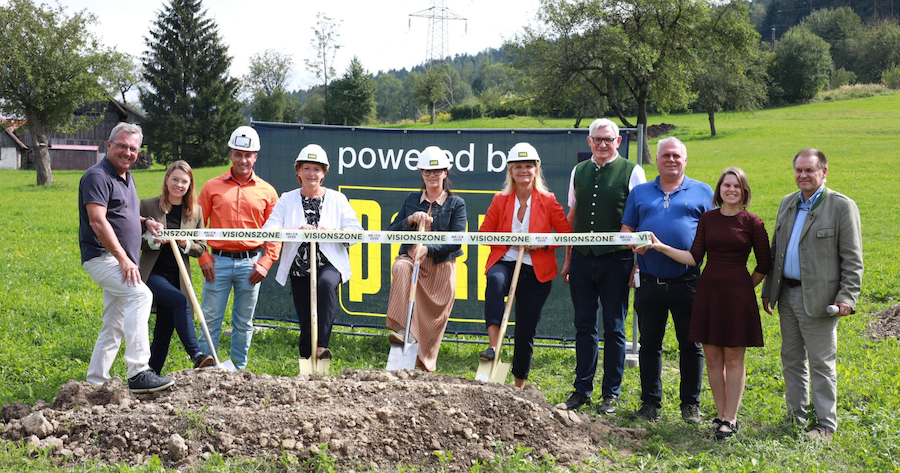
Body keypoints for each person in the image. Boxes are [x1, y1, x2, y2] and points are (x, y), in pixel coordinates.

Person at [644, 167, 771, 439]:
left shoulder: (753, 222)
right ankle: (721, 414)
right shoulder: (708, 219)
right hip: (708, 293)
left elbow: (764, 263)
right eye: (727, 185)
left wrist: (744, 287)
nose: (731, 190)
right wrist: (660, 246)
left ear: (744, 191)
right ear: (719, 190)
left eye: (737, 186)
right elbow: (694, 257)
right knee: (712, 358)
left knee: (733, 357)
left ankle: (731, 419)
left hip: (737, 297)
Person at [761, 148, 863, 441]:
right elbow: (776, 249)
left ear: (824, 172)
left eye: (809, 170)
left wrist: (847, 296)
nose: (803, 175)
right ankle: (796, 416)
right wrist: (769, 290)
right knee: (791, 359)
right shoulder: (788, 202)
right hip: (787, 295)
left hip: (820, 299)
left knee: (821, 363)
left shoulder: (841, 206)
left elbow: (853, 259)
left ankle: (826, 424)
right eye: (799, 170)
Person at [621, 137, 714, 423]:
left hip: (688, 282)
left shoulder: (703, 191)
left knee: (691, 345)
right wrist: (632, 244)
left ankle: (690, 405)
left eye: (676, 155)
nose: (671, 160)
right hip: (650, 281)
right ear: (657, 159)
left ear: (685, 160)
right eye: (665, 155)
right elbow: (626, 230)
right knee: (649, 344)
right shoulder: (640, 193)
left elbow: (713, 233)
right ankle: (650, 404)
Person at [78, 122, 174, 393]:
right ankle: (139, 372)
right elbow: (98, 221)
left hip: (119, 259)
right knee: (141, 295)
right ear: (109, 145)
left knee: (114, 323)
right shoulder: (97, 176)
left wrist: (146, 222)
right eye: (122, 146)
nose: (128, 152)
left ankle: (96, 381)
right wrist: (123, 258)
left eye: (133, 148)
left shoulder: (126, 177)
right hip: (103, 257)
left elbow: (122, 214)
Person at [559, 118, 646, 412]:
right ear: (589, 141)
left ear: (618, 141)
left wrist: (637, 263)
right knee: (584, 325)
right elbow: (572, 217)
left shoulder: (632, 171)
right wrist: (569, 258)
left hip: (617, 260)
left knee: (614, 327)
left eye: (608, 139)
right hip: (583, 259)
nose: (603, 144)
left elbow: (641, 220)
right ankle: (582, 389)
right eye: (597, 139)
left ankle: (611, 393)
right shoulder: (578, 171)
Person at [478, 143, 573, 388]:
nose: (523, 170)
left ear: (536, 169)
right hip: (506, 261)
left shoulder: (548, 200)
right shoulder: (500, 200)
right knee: (495, 280)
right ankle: (493, 346)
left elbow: (566, 234)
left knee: (525, 329)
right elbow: (484, 233)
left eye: (528, 166)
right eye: (518, 166)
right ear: (510, 171)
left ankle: (519, 385)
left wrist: (540, 243)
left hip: (536, 270)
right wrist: (510, 239)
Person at [263, 144, 363, 361]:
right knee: (306, 321)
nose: (311, 174)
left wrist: (334, 233)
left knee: (326, 284)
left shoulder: (337, 199)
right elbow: (269, 230)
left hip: (330, 263)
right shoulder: (287, 199)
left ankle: (322, 347)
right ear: (298, 171)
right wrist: (295, 231)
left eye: (317, 169)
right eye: (306, 168)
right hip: (299, 267)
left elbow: (356, 232)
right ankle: (307, 364)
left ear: (324, 173)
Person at [197, 126, 280, 370]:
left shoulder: (268, 191)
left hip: (251, 264)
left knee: (244, 322)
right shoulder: (211, 187)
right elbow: (197, 225)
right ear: (231, 154)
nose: (243, 160)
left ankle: (238, 370)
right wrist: (203, 257)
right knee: (210, 319)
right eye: (238, 154)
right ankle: (205, 369)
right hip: (217, 262)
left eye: (248, 155)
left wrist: (267, 261)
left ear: (255, 157)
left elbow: (276, 232)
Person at [385, 146, 467, 371]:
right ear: (421, 173)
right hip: (411, 260)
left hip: (441, 268)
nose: (432, 175)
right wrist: (410, 220)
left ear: (445, 173)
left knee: (430, 323)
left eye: (437, 171)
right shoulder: (412, 199)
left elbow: (456, 241)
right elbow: (390, 232)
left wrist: (429, 249)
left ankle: (422, 367)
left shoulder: (456, 203)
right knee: (401, 268)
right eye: (427, 171)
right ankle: (402, 331)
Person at [139, 160, 214, 374]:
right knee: (180, 301)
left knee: (163, 331)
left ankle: (151, 374)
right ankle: (196, 354)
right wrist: (154, 241)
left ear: (190, 185)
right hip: (153, 274)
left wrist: (185, 243)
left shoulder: (195, 211)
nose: (179, 185)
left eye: (184, 181)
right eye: (175, 179)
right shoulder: (148, 205)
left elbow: (201, 247)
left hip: (178, 277)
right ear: (166, 180)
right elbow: (133, 240)